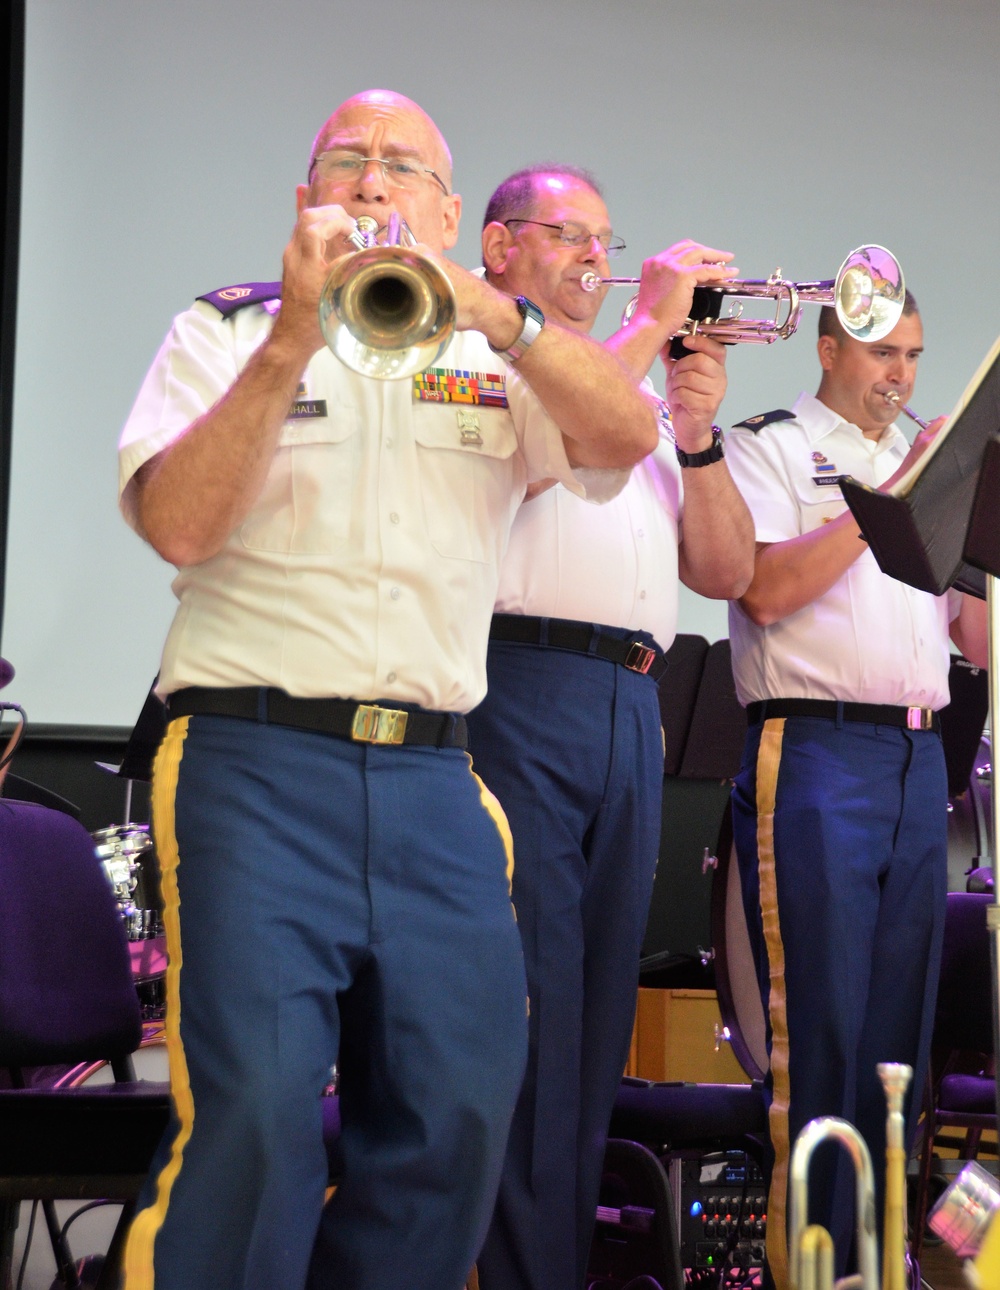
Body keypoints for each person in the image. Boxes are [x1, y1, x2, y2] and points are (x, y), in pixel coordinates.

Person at [116, 92, 661, 1290]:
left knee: (456, 1116)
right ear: (305, 197)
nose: (372, 184)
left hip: (433, 778)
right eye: (345, 163)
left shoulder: (495, 354)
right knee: (255, 1117)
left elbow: (623, 436)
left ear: (452, 215)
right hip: (253, 765)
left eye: (401, 168)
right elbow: (177, 523)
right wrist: (287, 348)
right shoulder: (222, 331)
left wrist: (500, 314)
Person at [468, 164, 755, 1290]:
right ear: (497, 248)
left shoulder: (630, 394)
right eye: (566, 233)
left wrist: (692, 432)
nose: (598, 254)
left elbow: (722, 570)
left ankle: (554, 1261)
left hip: (631, 700)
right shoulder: (492, 360)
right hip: (521, 682)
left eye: (606, 237)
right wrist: (644, 326)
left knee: (594, 1014)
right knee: (528, 1002)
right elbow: (541, 461)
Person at [724, 295, 988, 1289]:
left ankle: (873, 1267)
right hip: (817, 746)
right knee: (823, 1031)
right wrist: (895, 497)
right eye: (882, 353)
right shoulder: (774, 448)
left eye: (915, 356)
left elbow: (974, 640)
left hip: (921, 758)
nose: (901, 377)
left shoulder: (929, 464)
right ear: (828, 348)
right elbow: (760, 588)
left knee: (896, 1048)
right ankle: (808, 1267)